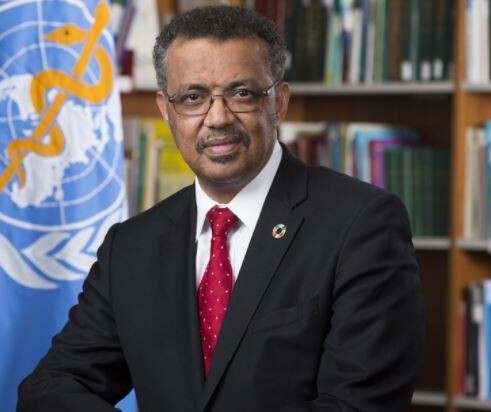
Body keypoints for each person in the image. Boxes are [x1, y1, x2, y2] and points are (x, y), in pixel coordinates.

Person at [17, 6, 424, 412]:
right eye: (193, 97)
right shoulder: (131, 246)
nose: (217, 118)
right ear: (166, 110)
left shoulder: (362, 225)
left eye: (241, 93)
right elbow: (49, 388)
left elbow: (358, 406)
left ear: (279, 102)